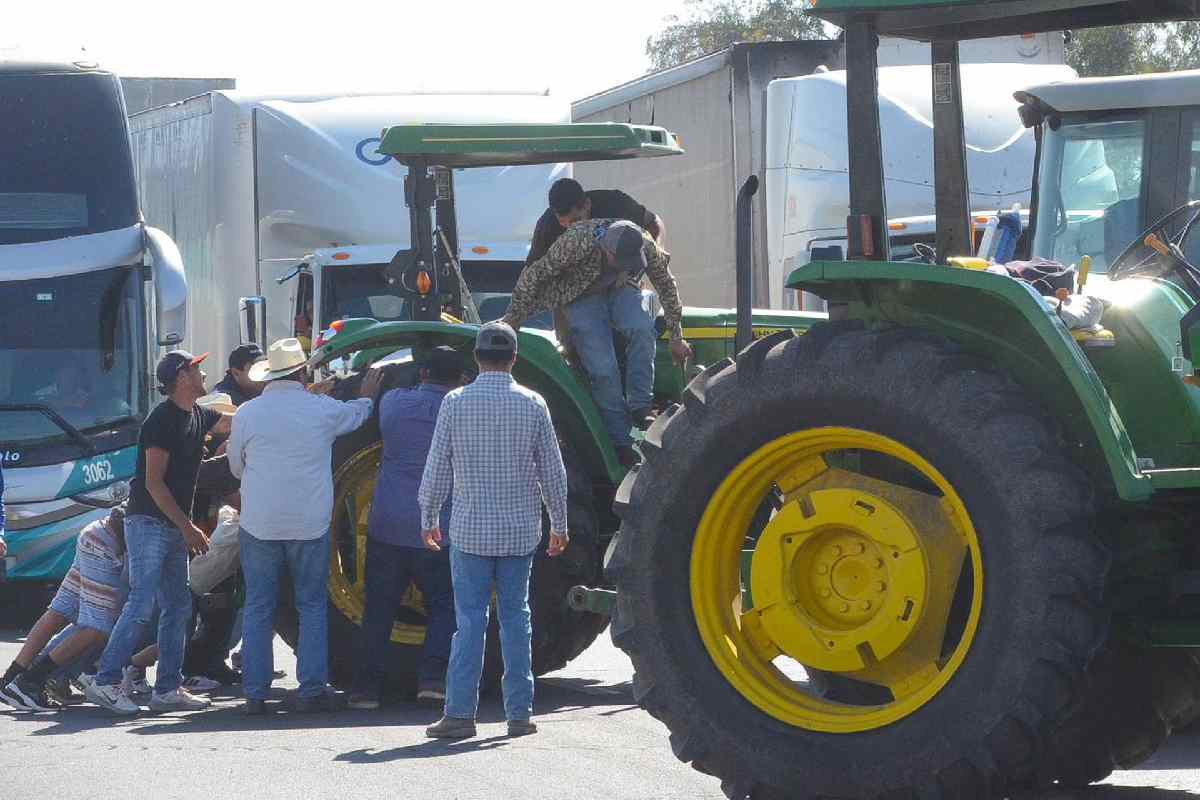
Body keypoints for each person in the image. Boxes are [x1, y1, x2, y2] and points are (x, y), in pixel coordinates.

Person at [420, 322, 568, 739]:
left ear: (477, 357)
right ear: (515, 359)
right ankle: (519, 714)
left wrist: (428, 517)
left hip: (469, 532)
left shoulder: (454, 402)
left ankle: (460, 715)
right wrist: (560, 524)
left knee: (469, 621)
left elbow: (436, 468)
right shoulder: (534, 403)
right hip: (520, 532)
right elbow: (553, 473)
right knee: (517, 619)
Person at [226, 337, 382, 715]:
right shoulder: (320, 409)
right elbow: (358, 415)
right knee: (311, 604)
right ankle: (311, 688)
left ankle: (256, 693)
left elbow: (235, 466)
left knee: (259, 606)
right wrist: (367, 394)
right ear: (301, 372)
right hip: (309, 522)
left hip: (260, 521)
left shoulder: (248, 413)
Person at [84, 350, 231, 715]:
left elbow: (237, 420)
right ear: (182, 377)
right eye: (196, 368)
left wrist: (286, 392)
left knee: (178, 606)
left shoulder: (198, 414)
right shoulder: (161, 420)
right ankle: (105, 680)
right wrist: (187, 527)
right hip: (148, 522)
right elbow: (153, 483)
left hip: (170, 525)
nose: (203, 373)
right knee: (142, 602)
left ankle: (167, 688)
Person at [503, 219, 693, 467]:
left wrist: (676, 336)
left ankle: (641, 406)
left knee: (642, 326)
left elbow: (666, 284)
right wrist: (512, 319)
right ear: (607, 250)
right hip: (580, 295)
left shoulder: (644, 244)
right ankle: (622, 441)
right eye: (622, 260)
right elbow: (534, 276)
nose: (628, 264)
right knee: (604, 368)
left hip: (621, 287)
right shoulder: (575, 243)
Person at [348, 347, 467, 711]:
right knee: (445, 605)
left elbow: (388, 392)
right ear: (461, 379)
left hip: (388, 524)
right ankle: (432, 680)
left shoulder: (394, 403)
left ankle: (366, 689)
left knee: (379, 607)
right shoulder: (461, 410)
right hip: (437, 527)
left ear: (423, 374)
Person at [2, 505, 128, 711]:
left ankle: (10, 682)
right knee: (97, 628)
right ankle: (28, 683)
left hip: (99, 530)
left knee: (59, 612)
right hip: (110, 541)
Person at [525, 178, 664, 266]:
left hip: (619, 279)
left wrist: (645, 262)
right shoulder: (547, 224)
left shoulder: (616, 204)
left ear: (587, 205)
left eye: (576, 221)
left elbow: (653, 223)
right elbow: (533, 269)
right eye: (563, 223)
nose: (571, 228)